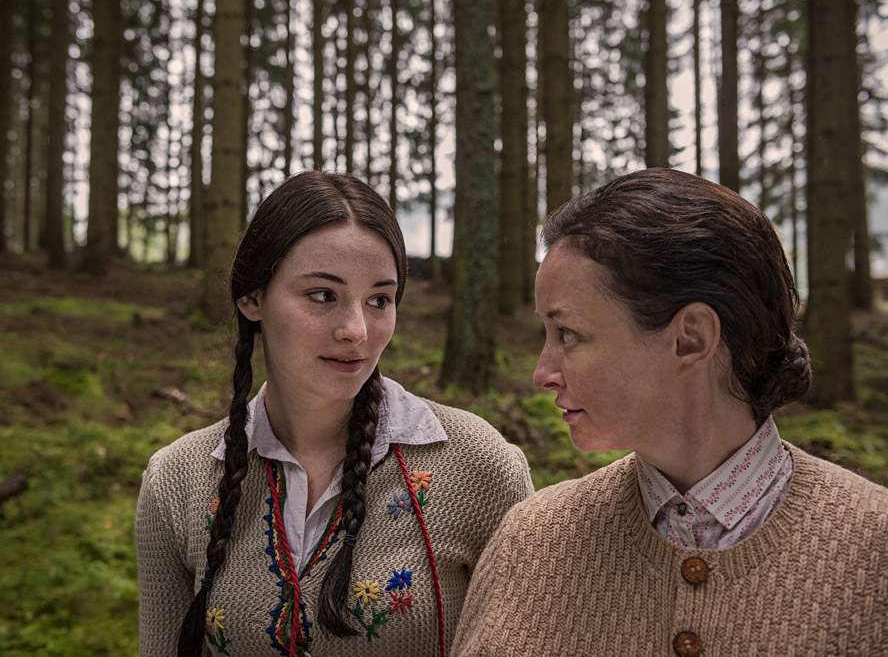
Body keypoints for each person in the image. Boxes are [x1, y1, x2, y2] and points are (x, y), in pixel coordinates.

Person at [451, 168, 888, 656]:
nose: (542, 373)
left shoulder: (874, 552)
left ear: (691, 339)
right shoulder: (530, 542)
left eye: (568, 334)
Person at [136, 171, 533, 657]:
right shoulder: (177, 480)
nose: (356, 330)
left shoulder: (480, 467)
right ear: (253, 298)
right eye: (323, 295)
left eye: (379, 300)